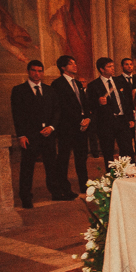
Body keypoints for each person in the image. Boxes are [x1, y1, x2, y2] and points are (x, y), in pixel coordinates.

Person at [11, 60, 66, 207]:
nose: (37, 73)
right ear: (28, 71)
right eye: (34, 70)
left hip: (48, 134)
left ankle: (55, 192)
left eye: (40, 71)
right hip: (30, 136)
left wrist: (52, 127)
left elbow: (57, 111)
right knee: (27, 167)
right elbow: (17, 115)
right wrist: (21, 135)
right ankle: (26, 197)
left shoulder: (49, 91)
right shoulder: (19, 90)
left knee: (51, 165)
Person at [51, 55, 90, 197]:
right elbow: (62, 107)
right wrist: (78, 120)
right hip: (67, 127)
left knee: (82, 157)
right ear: (63, 67)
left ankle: (85, 185)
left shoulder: (78, 84)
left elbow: (84, 104)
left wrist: (87, 118)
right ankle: (63, 188)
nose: (75, 66)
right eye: (71, 64)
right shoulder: (58, 84)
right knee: (64, 158)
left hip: (82, 126)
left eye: (75, 63)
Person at [87, 57, 135, 170]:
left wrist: (130, 118)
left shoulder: (120, 81)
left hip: (122, 120)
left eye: (113, 66)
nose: (112, 68)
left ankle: (128, 172)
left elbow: (127, 101)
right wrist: (98, 102)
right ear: (101, 69)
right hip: (106, 123)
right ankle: (111, 175)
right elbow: (89, 105)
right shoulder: (94, 85)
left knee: (127, 149)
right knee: (108, 151)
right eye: (109, 66)